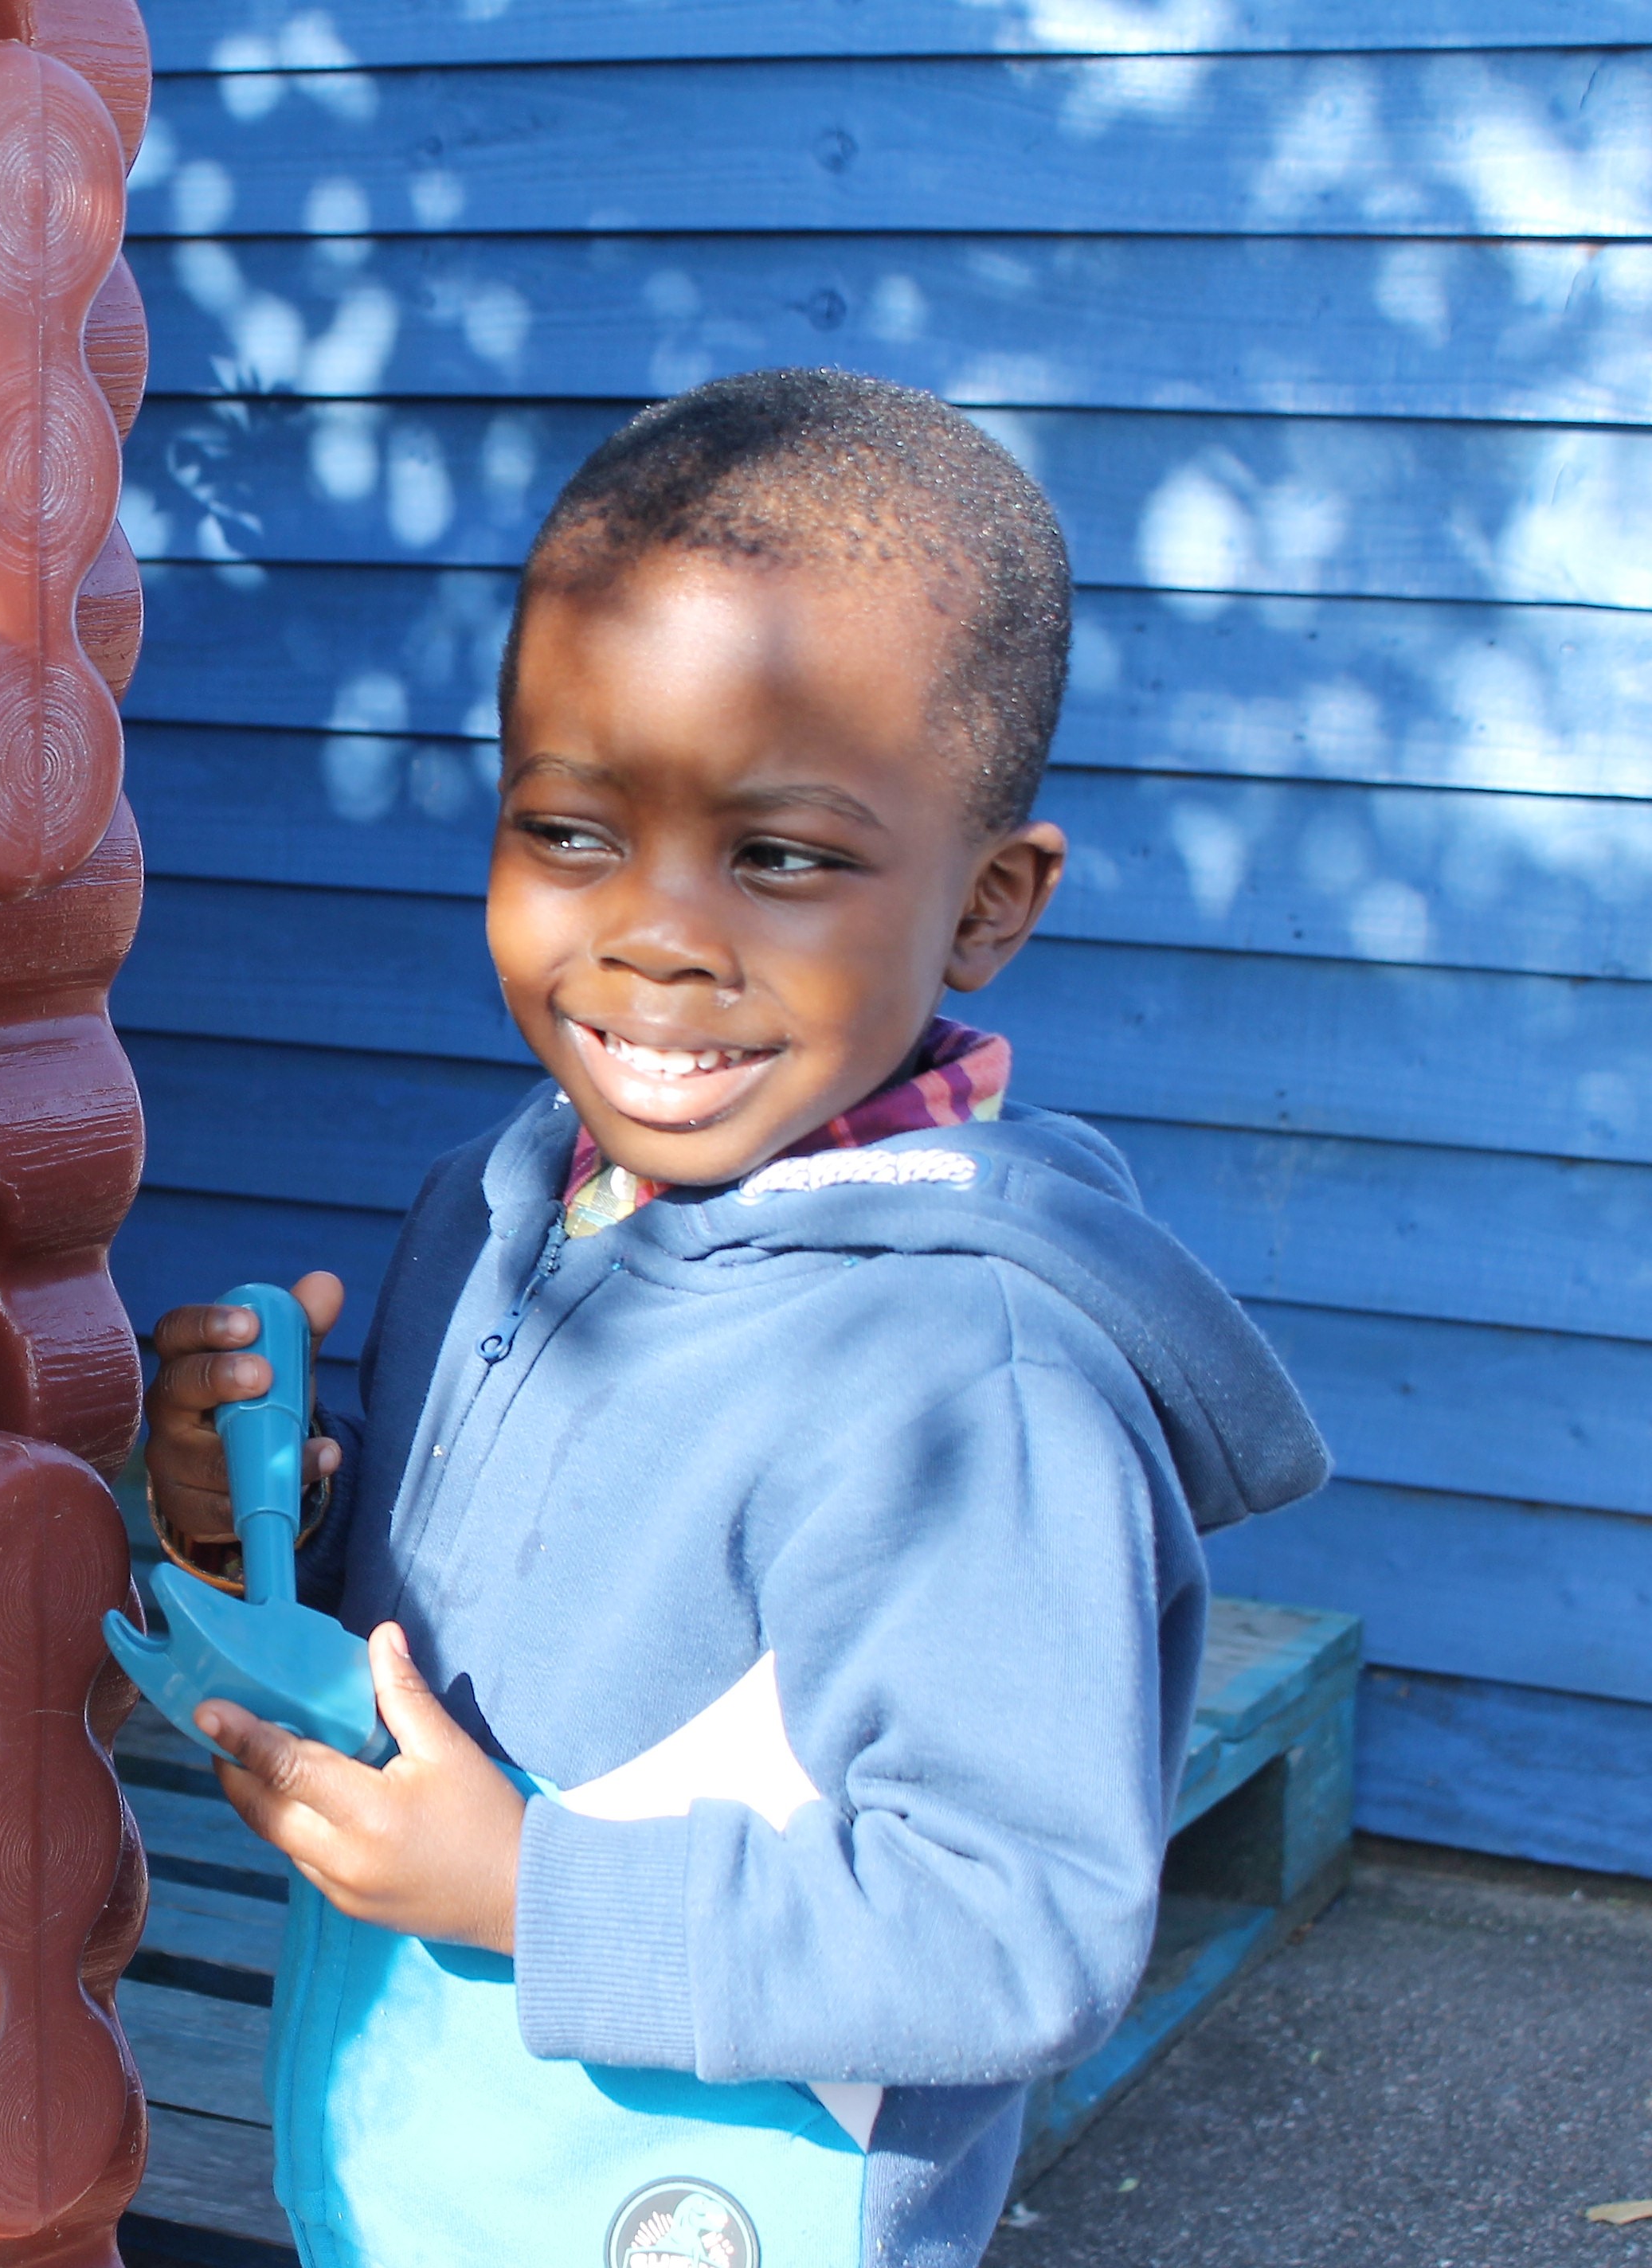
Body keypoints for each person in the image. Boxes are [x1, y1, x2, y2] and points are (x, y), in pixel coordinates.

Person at [136, 370, 1328, 2267]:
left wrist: (532, 1890)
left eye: (781, 856)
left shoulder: (972, 1384)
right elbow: (472, 1662)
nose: (660, 933)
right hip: (418, 2173)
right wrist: (250, 1518)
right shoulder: (504, 1202)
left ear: (987, 905)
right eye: (573, 829)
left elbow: (1015, 1923)